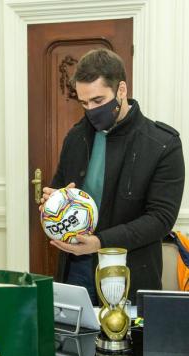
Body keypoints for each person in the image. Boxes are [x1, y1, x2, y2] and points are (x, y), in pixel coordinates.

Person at [41, 48, 185, 304]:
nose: (90, 110)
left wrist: (100, 242)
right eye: (84, 103)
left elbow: (160, 218)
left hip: (130, 272)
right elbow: (58, 187)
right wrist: (52, 201)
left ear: (121, 90)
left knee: (126, 343)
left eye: (98, 101)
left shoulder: (162, 144)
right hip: (75, 268)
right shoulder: (76, 137)